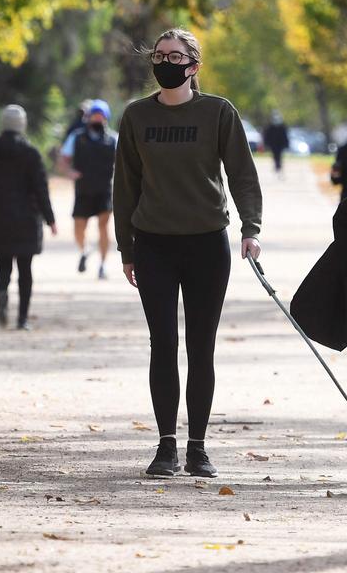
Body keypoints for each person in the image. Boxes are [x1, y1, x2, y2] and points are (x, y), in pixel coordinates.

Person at [113, 28, 263, 479]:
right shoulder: (136, 116)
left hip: (206, 243)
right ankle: (165, 447)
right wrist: (126, 247)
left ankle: (198, 447)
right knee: (163, 344)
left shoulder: (217, 112)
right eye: (159, 56)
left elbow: (242, 174)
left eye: (175, 56)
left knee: (201, 346)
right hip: (154, 243)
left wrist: (251, 228)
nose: (166, 62)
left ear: (193, 66)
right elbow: (125, 185)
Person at [0, 105, 57, 330]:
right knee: (25, 270)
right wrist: (50, 218)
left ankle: (2, 293)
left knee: (2, 266)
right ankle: (22, 319)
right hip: (26, 219)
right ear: (22, 124)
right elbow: (41, 188)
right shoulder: (31, 153)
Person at [59, 99, 116, 279]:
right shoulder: (76, 137)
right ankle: (84, 251)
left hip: (104, 189)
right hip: (83, 190)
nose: (97, 120)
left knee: (103, 226)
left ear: (106, 119)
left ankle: (103, 265)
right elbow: (63, 160)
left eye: (101, 116)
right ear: (89, 117)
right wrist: (69, 172)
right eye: (94, 116)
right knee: (79, 227)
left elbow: (126, 161)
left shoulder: (114, 139)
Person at [261, 111, 289, 177]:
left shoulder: (282, 126)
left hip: (280, 144)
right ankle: (277, 166)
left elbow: (285, 136)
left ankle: (279, 166)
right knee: (275, 155)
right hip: (273, 144)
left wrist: (286, 144)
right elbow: (267, 136)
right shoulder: (270, 127)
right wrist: (266, 143)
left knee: (279, 155)